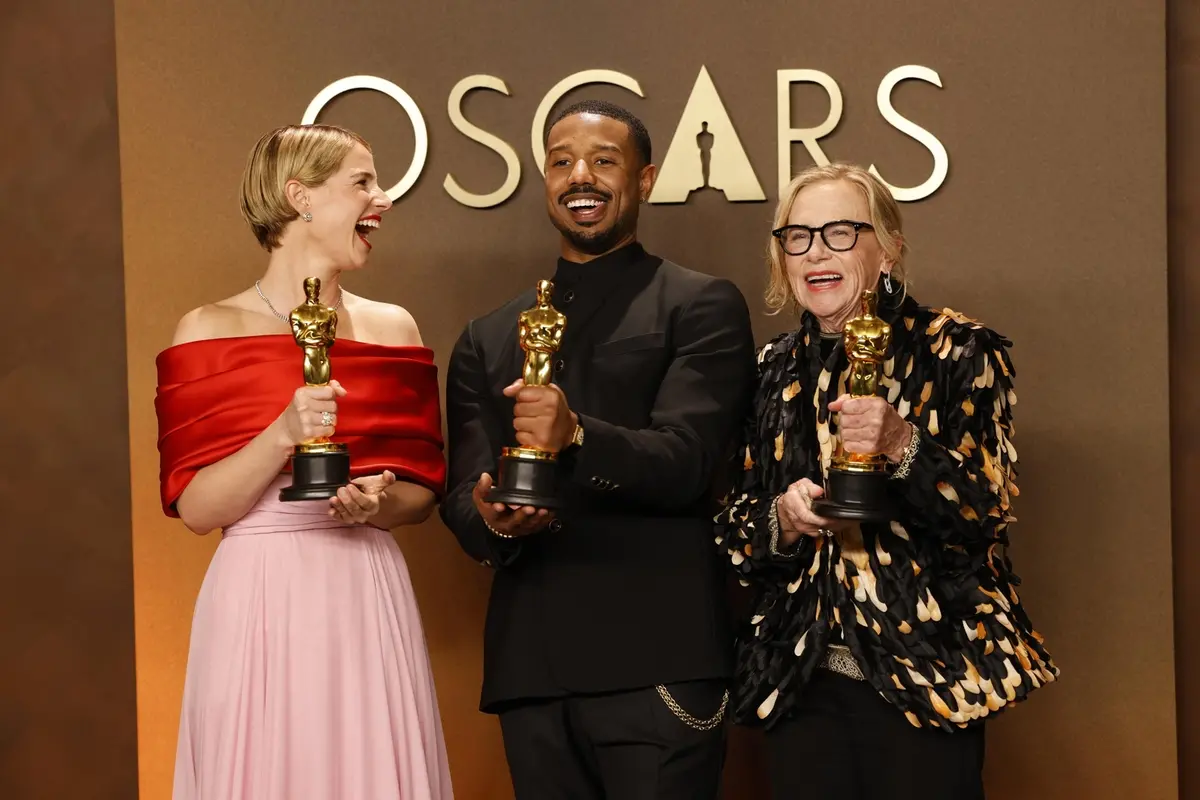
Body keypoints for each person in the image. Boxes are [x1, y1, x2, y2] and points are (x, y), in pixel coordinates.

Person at [439, 100, 756, 799]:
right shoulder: (486, 336)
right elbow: (461, 491)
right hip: (532, 670)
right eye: (562, 162)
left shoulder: (700, 304)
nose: (580, 176)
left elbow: (690, 463)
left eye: (604, 161)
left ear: (644, 179)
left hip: (659, 661)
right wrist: (492, 519)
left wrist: (577, 436)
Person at [714, 162, 1059, 800]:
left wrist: (903, 444)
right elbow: (736, 533)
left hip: (927, 679)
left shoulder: (957, 351)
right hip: (798, 682)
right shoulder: (769, 369)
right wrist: (781, 519)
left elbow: (984, 512)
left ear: (889, 249)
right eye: (798, 236)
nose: (817, 252)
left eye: (841, 232)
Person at [154, 124, 453, 800]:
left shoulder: (394, 328)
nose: (384, 198)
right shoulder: (207, 330)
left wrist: (378, 503)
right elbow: (198, 509)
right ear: (300, 197)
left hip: (365, 588)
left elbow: (422, 494)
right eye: (362, 182)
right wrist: (281, 435)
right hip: (260, 593)